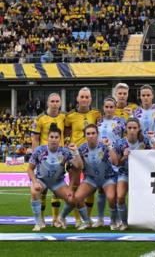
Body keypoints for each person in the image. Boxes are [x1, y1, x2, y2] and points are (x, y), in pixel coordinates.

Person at [59, 124, 118, 230]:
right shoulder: (81, 148)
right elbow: (80, 166)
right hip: (91, 179)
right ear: (85, 135)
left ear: (97, 134)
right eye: (88, 134)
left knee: (111, 197)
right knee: (77, 197)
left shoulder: (104, 146)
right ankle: (87, 222)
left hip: (107, 178)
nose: (91, 136)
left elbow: (115, 161)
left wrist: (110, 147)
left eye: (93, 133)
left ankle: (113, 222)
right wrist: (75, 154)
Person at [27, 124, 83, 231]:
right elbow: (29, 169)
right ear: (47, 138)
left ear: (60, 139)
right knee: (34, 192)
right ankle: (38, 223)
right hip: (41, 180)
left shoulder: (65, 152)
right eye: (51, 137)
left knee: (72, 200)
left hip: (58, 183)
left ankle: (60, 218)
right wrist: (35, 182)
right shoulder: (39, 150)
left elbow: (79, 166)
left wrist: (76, 152)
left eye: (56, 137)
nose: (53, 139)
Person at [65, 87, 101, 226]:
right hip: (75, 155)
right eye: (82, 97)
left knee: (90, 187)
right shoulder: (70, 116)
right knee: (74, 186)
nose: (84, 99)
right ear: (77, 99)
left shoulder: (96, 114)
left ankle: (88, 218)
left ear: (91, 99)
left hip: (91, 155)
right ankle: (77, 219)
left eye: (87, 97)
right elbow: (66, 133)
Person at [111, 118, 154, 230]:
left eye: (134, 128)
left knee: (147, 197)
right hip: (124, 173)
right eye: (129, 128)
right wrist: (124, 156)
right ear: (126, 129)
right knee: (120, 196)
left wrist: (153, 141)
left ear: (139, 129)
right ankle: (124, 223)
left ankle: (147, 220)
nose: (132, 130)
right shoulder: (120, 143)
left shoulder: (145, 141)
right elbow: (117, 163)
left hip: (141, 174)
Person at [30, 93, 66, 227]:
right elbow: (35, 139)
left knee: (56, 189)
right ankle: (42, 219)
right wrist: (36, 156)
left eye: (57, 101)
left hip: (59, 158)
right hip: (44, 159)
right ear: (48, 103)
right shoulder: (40, 119)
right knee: (42, 191)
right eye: (52, 101)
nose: (55, 104)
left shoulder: (63, 117)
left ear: (60, 103)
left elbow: (66, 133)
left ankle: (56, 219)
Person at [95, 97, 126, 227]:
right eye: (106, 107)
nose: (109, 109)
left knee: (117, 191)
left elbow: (125, 138)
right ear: (103, 107)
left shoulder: (121, 122)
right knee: (101, 189)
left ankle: (119, 219)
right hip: (101, 158)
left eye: (111, 107)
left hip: (115, 157)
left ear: (115, 108)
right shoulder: (98, 122)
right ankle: (100, 219)